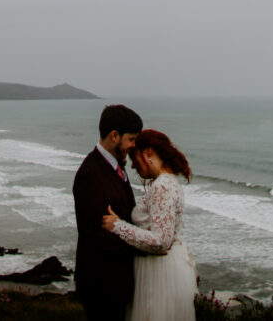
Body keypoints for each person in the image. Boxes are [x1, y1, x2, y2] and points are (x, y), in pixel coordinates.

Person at [103, 129, 196, 321]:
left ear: (149, 152)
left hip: (160, 273)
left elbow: (161, 240)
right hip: (161, 268)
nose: (133, 165)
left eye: (134, 157)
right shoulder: (167, 182)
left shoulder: (162, 186)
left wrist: (118, 226)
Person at [73, 104, 144, 320]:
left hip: (116, 282)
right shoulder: (90, 174)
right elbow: (92, 234)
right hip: (101, 284)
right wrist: (142, 243)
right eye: (131, 140)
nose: (133, 147)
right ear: (115, 135)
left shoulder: (115, 164)